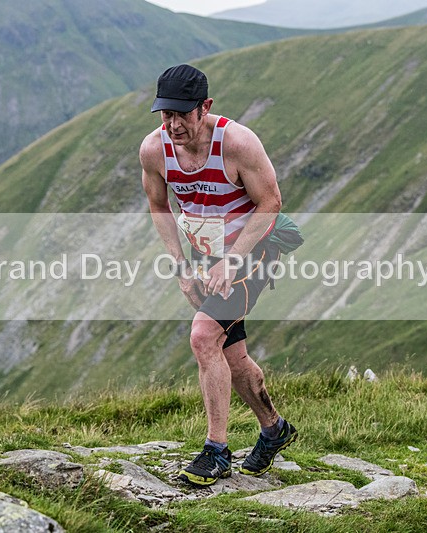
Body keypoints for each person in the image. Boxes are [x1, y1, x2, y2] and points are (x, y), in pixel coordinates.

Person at [139, 64, 297, 486]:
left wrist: (234, 260)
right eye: (164, 114)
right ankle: (274, 429)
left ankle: (216, 450)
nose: (172, 124)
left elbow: (271, 203)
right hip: (205, 255)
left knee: (203, 335)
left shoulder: (238, 143)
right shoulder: (154, 150)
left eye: (182, 114)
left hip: (255, 247)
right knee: (230, 354)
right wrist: (179, 264)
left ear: (204, 107)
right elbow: (159, 206)